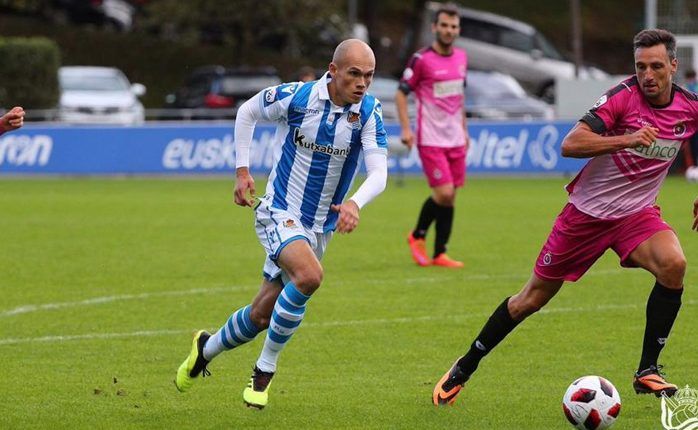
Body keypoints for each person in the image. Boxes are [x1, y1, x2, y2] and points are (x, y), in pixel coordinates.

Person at [433, 28, 697, 406]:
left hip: (636, 216)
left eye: (656, 66)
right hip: (585, 217)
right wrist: (626, 138)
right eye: (641, 67)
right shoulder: (622, 100)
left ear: (674, 65)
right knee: (530, 300)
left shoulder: (689, 105)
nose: (648, 76)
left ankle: (647, 371)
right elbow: (570, 143)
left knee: (674, 265)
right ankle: (465, 366)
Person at [175, 39, 388, 409]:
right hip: (279, 210)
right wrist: (242, 171)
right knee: (310, 276)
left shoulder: (368, 112)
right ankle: (264, 370)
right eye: (354, 74)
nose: (362, 83)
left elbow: (379, 172)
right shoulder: (298, 98)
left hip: (319, 227)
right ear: (333, 70)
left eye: (368, 76)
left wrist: (355, 201)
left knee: (260, 315)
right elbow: (247, 112)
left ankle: (204, 349)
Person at [396, 4, 469, 268]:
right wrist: (406, 129)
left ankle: (440, 253)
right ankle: (417, 236)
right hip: (430, 139)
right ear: (434, 27)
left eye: (453, 26)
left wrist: (465, 130)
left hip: (456, 139)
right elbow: (401, 93)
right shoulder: (421, 59)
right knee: (444, 193)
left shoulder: (462, 58)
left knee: (451, 196)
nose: (449, 30)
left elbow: (460, 98)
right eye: (444, 25)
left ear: (458, 29)